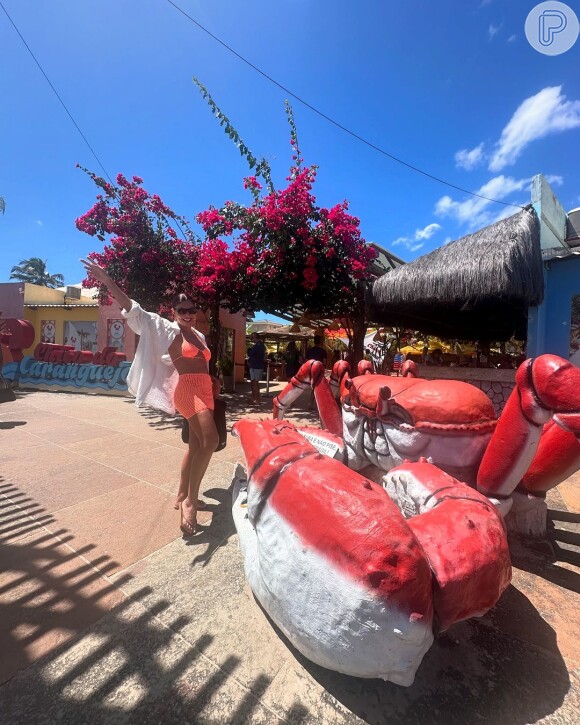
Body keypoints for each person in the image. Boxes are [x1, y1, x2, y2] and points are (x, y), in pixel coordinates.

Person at [80, 258, 219, 538]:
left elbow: (203, 364)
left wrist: (213, 381)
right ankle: (190, 502)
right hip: (187, 390)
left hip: (205, 389)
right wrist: (108, 282)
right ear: (174, 311)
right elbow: (134, 309)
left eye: (192, 309)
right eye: (182, 310)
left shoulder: (201, 336)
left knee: (195, 447)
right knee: (212, 441)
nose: (188, 313)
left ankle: (182, 494)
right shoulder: (165, 329)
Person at [247, 332, 266, 404]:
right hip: (254, 366)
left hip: (256, 366)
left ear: (255, 337)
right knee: (253, 383)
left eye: (252, 338)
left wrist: (250, 350)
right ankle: (253, 399)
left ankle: (257, 400)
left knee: (255, 383)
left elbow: (250, 353)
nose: (251, 339)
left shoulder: (259, 345)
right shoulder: (258, 345)